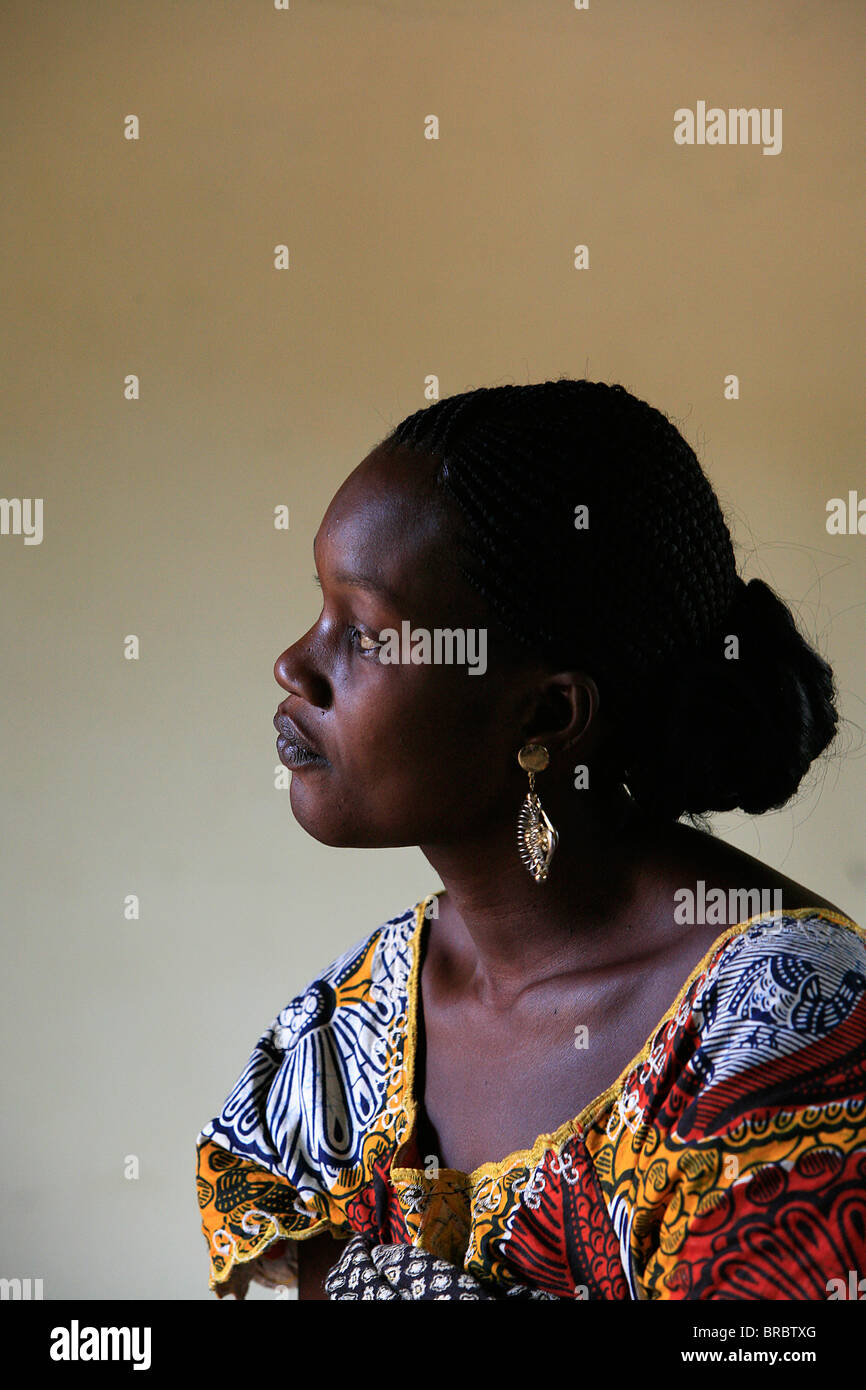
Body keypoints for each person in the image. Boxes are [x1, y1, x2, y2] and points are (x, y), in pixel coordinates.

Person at [195, 379, 866, 1300]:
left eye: (364, 633)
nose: (294, 665)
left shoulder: (787, 1028)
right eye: (319, 609)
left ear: (548, 712)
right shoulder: (359, 1025)